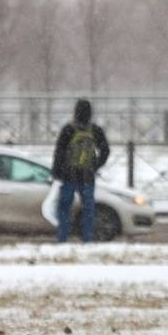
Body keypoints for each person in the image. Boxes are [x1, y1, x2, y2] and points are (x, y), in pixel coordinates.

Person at [51, 99, 110, 243]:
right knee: (88, 210)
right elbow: (105, 150)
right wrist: (95, 165)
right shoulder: (95, 130)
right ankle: (87, 238)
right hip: (87, 177)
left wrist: (57, 172)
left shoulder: (68, 129)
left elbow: (59, 152)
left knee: (65, 208)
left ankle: (62, 237)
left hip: (68, 175)